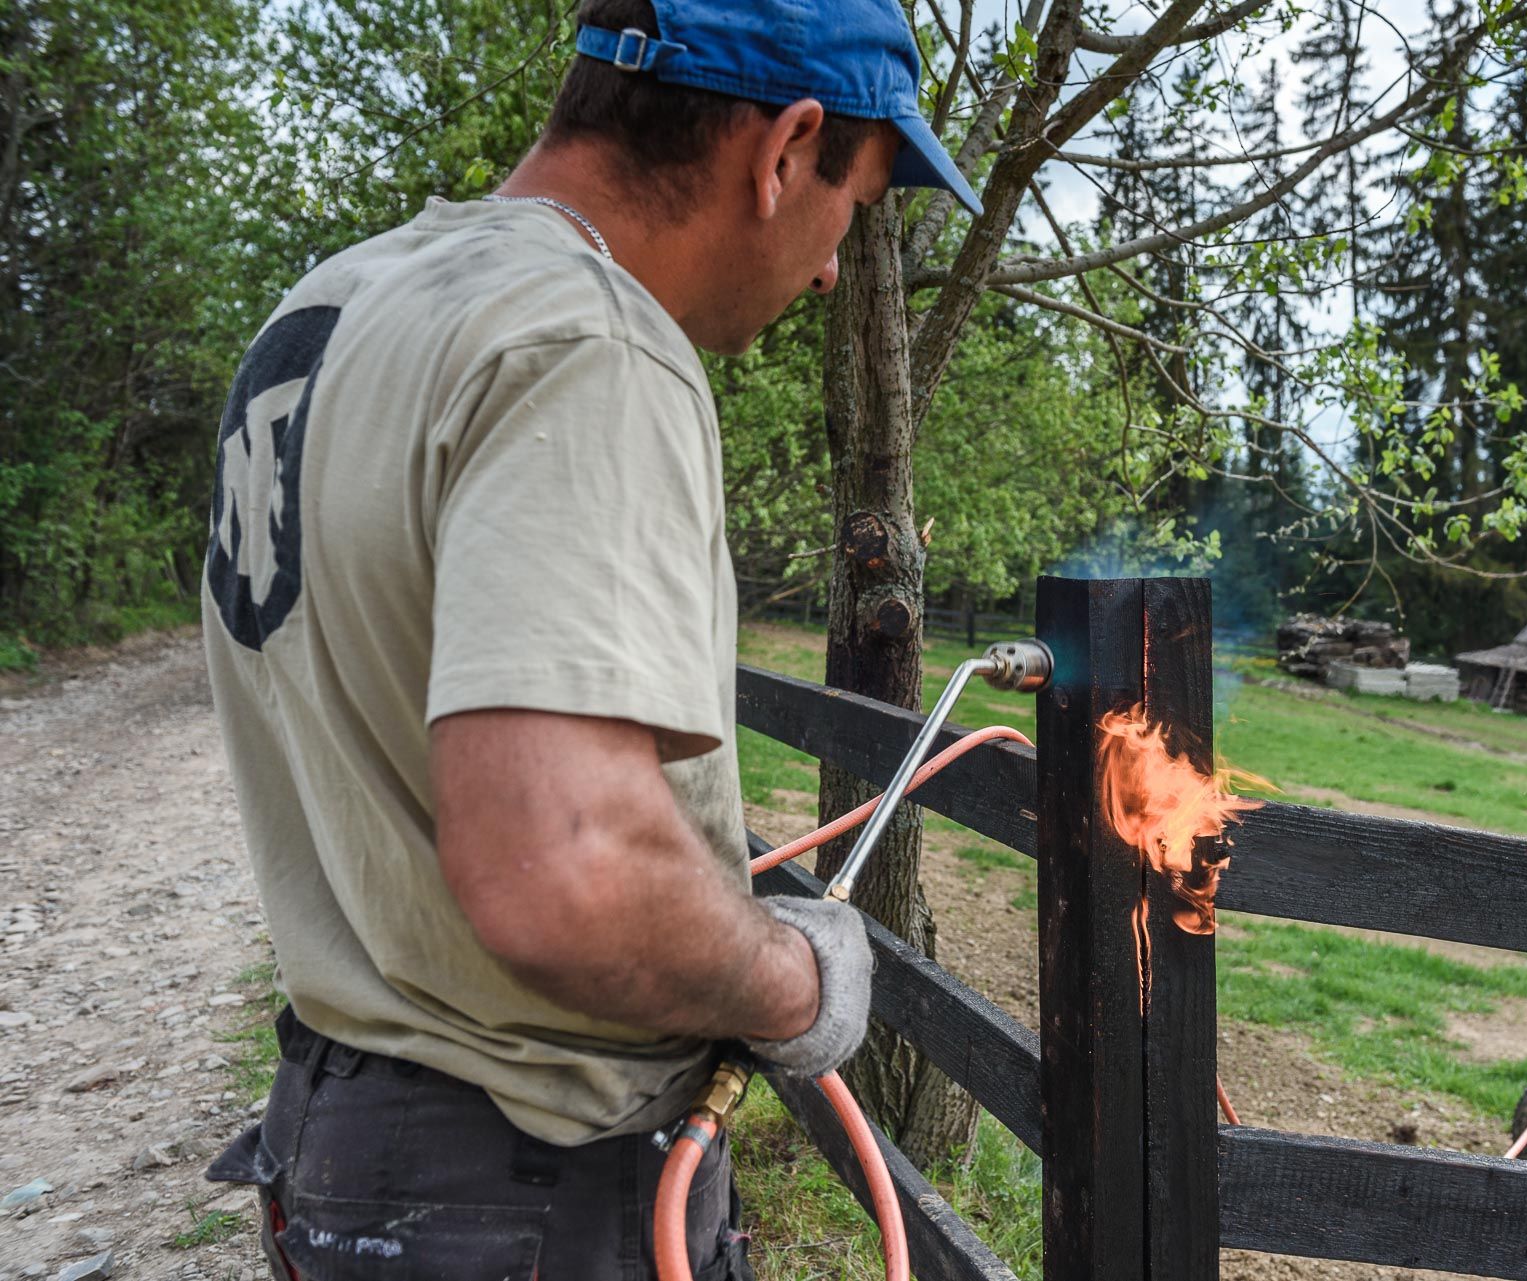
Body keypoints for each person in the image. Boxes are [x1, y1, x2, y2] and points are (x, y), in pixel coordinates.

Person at [199, 1, 980, 1275]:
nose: (835, 268)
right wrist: (799, 982)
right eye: (858, 202)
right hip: (526, 1192)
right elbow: (563, 870)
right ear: (786, 149)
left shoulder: (337, 307)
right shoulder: (588, 343)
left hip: (341, 1141)